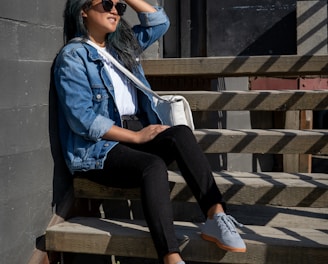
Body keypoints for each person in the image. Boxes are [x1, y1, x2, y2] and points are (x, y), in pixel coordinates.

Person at [53, 0, 246, 263]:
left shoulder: (123, 47)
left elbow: (159, 22)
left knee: (180, 133)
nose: (115, 11)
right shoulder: (74, 56)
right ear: (83, 10)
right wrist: (135, 137)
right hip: (99, 149)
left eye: (120, 8)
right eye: (107, 3)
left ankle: (215, 215)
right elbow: (82, 120)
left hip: (136, 131)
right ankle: (171, 257)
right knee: (153, 165)